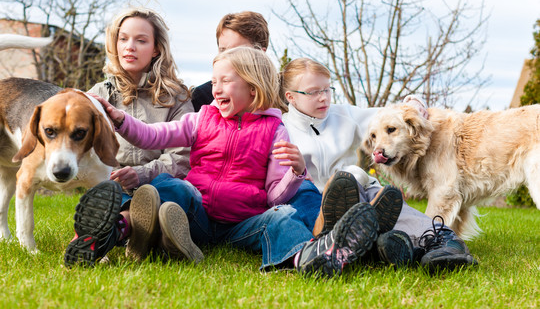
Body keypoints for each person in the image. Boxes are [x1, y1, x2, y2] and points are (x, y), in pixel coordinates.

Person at [74, 47, 403, 277]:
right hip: (198, 213)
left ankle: (308, 257)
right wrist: (118, 119)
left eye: (225, 81)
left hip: (242, 224)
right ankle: (116, 229)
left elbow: (275, 195)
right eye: (213, 81)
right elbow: (153, 136)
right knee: (169, 186)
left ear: (252, 83)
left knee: (282, 217)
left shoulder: (275, 130)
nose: (215, 89)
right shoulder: (202, 119)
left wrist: (296, 171)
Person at [280, 58, 478, 271]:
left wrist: (415, 103)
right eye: (313, 92)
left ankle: (443, 241)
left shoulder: (345, 115)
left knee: (376, 194)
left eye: (328, 90)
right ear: (291, 97)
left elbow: (393, 115)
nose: (323, 97)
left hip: (356, 189)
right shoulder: (281, 128)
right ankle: (388, 244)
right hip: (317, 203)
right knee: (339, 198)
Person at [64, 6, 195, 267]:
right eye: (123, 39)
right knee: (108, 194)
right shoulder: (97, 95)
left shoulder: (177, 97)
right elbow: (81, 148)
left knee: (176, 189)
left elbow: (181, 159)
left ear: (157, 48)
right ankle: (121, 234)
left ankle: (112, 233)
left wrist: (142, 174)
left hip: (162, 187)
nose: (129, 47)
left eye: (141, 40)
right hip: (117, 189)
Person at [191, 11, 270, 112]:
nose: (227, 57)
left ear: (260, 54)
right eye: (223, 50)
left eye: (236, 51)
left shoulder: (284, 97)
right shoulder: (202, 97)